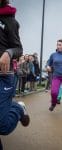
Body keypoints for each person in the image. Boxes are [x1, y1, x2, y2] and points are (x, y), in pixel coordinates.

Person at [0, 0, 30, 146]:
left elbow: (18, 49)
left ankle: (17, 108)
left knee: (2, 126)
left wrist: (8, 52)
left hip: (4, 76)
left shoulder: (9, 21)